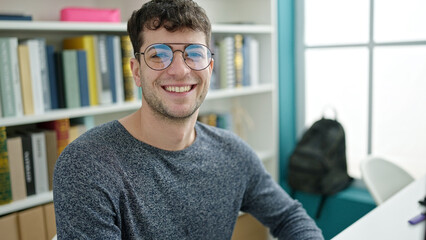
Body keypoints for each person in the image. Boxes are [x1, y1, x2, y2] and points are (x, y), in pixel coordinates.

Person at [53, 0, 324, 239]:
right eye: (159, 54)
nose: (180, 70)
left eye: (194, 53)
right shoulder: (87, 164)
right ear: (136, 72)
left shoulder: (233, 153)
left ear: (210, 68)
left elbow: (289, 217)